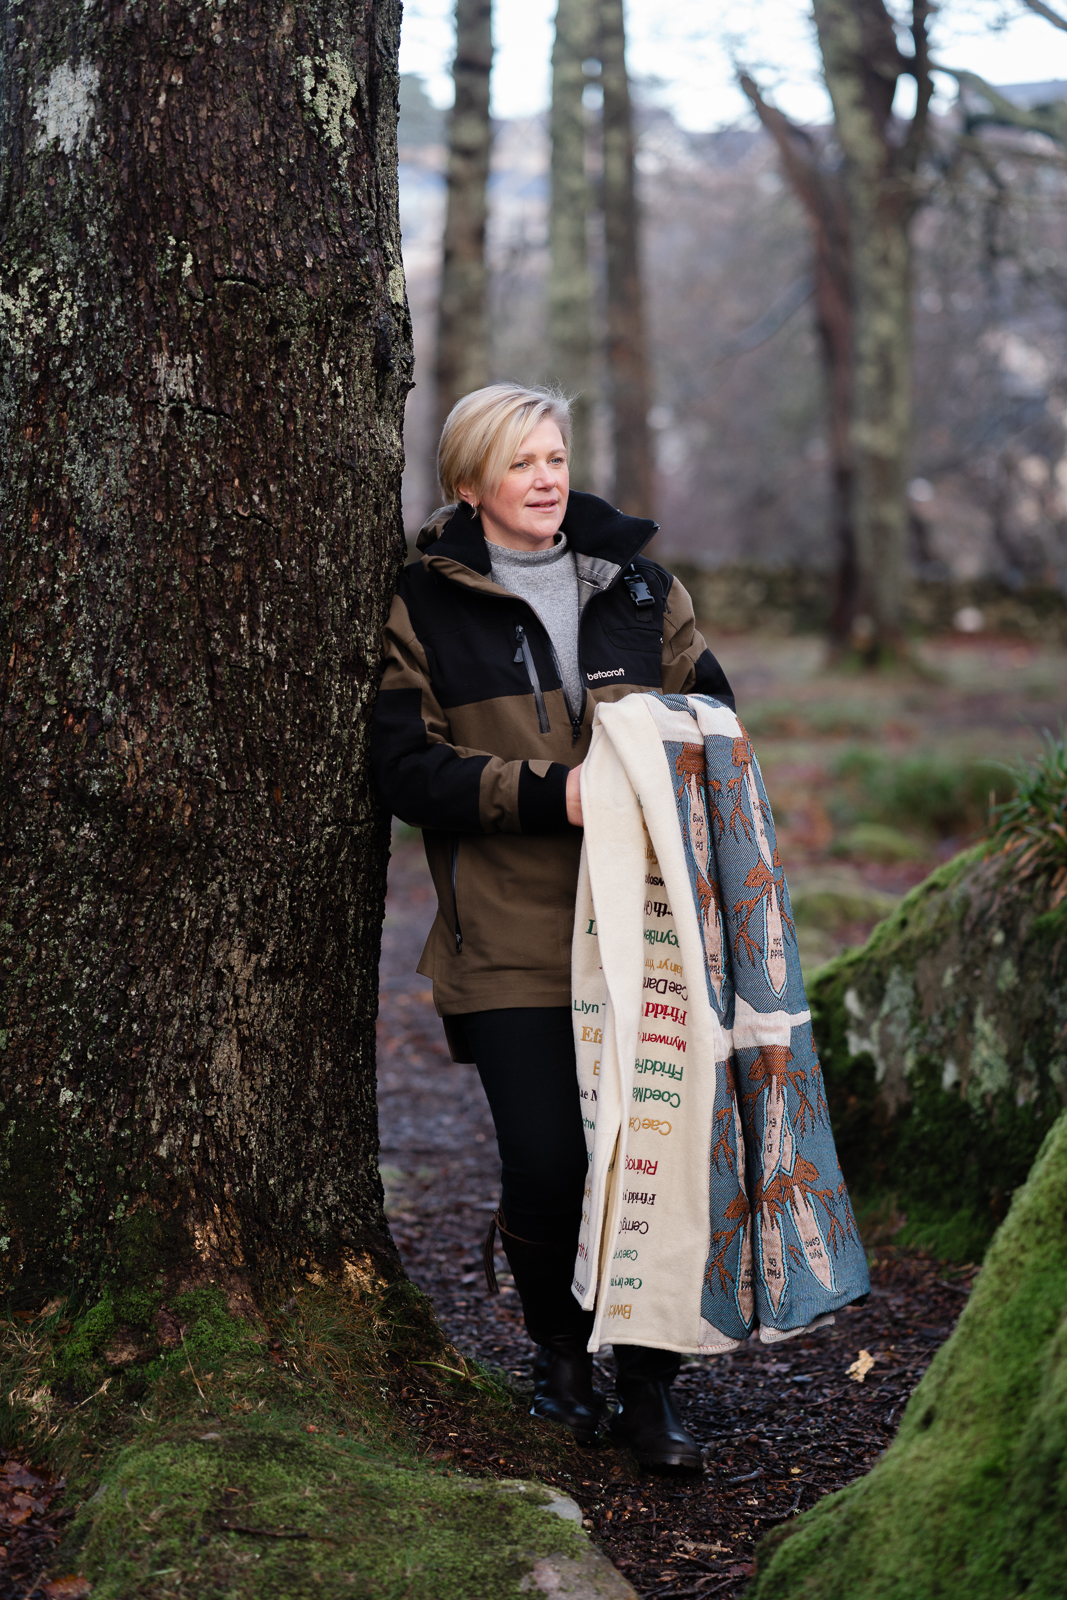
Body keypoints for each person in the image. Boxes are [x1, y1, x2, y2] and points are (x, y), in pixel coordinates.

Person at [370, 383, 735, 1469]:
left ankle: (649, 1385)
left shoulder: (637, 589)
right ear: (471, 482)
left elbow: (712, 721)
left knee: (649, 1159)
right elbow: (405, 768)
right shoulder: (424, 604)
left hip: (644, 933)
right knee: (547, 1165)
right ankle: (559, 1354)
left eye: (555, 454)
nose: (546, 476)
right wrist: (550, 794)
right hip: (510, 934)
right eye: (520, 460)